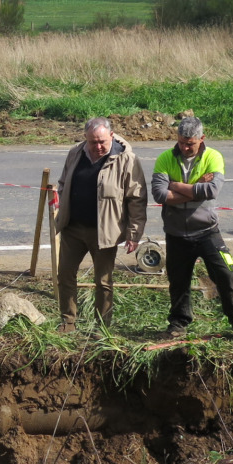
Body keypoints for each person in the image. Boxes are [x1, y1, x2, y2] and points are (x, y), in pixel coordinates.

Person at [150, 116, 233, 340]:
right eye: (181, 142)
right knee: (178, 282)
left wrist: (176, 186)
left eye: (190, 143)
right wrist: (196, 186)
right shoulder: (164, 159)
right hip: (176, 234)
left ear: (202, 139)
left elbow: (211, 191)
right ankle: (178, 325)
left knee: (226, 275)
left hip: (208, 231)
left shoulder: (213, 157)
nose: (185, 147)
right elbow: (160, 194)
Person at [54, 117, 148, 332]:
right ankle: (68, 321)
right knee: (65, 276)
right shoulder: (75, 153)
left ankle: (101, 327)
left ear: (111, 136)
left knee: (103, 282)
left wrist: (134, 233)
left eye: (102, 142)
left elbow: (137, 199)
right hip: (73, 229)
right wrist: (63, 210)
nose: (97, 147)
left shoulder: (126, 160)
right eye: (92, 142)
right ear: (85, 139)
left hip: (104, 233)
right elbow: (63, 183)